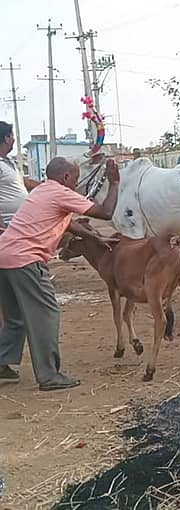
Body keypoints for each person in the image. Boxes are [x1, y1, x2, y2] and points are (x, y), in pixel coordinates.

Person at [0, 157, 120, 390]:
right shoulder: (61, 192)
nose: (76, 183)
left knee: (15, 318)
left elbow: (65, 222)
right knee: (46, 315)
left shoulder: (42, 191)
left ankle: (2, 363)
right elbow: (106, 213)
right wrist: (114, 183)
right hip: (26, 260)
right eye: (75, 178)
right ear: (66, 177)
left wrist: (94, 237)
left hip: (4, 256)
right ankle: (48, 376)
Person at [1, 122, 39, 230]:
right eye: (12, 136)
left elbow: (24, 182)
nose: (13, 140)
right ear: (6, 138)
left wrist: (51, 186)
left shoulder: (9, 162)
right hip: (9, 226)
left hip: (22, 222)